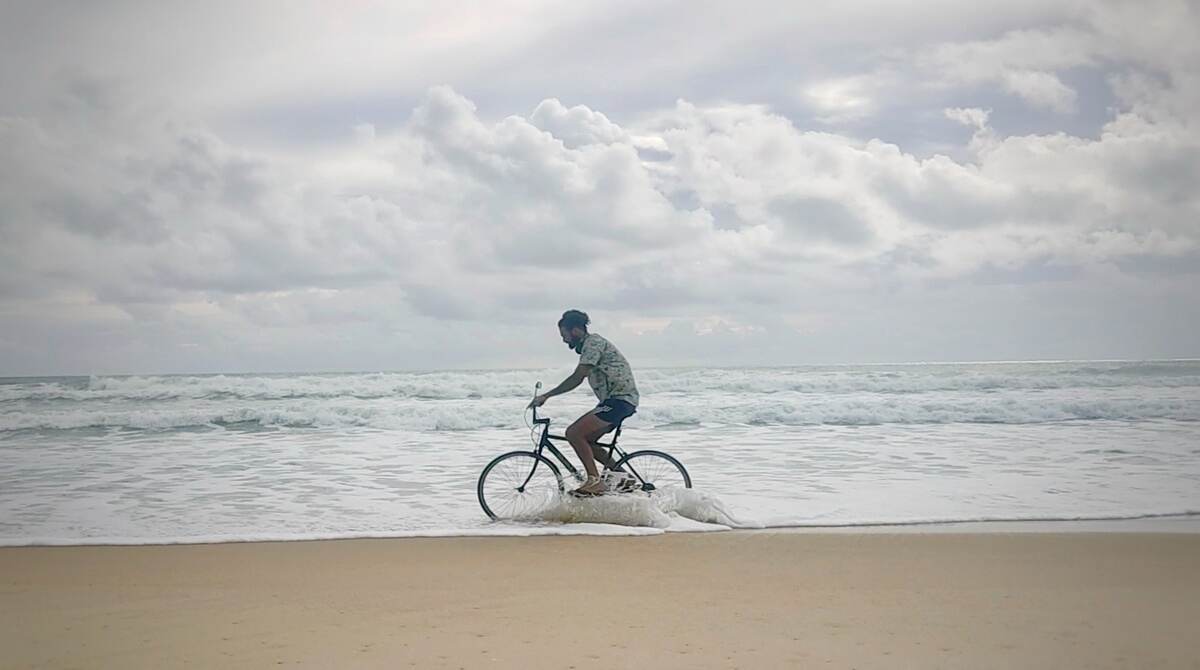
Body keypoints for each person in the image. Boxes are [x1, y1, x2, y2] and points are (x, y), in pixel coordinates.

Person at [529, 310, 639, 496]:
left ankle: (594, 482)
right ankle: (624, 478)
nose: (564, 340)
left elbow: (577, 378)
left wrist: (546, 396)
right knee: (587, 440)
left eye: (564, 334)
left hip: (620, 400)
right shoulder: (589, 345)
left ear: (576, 330)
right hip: (616, 401)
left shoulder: (593, 344)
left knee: (573, 433)